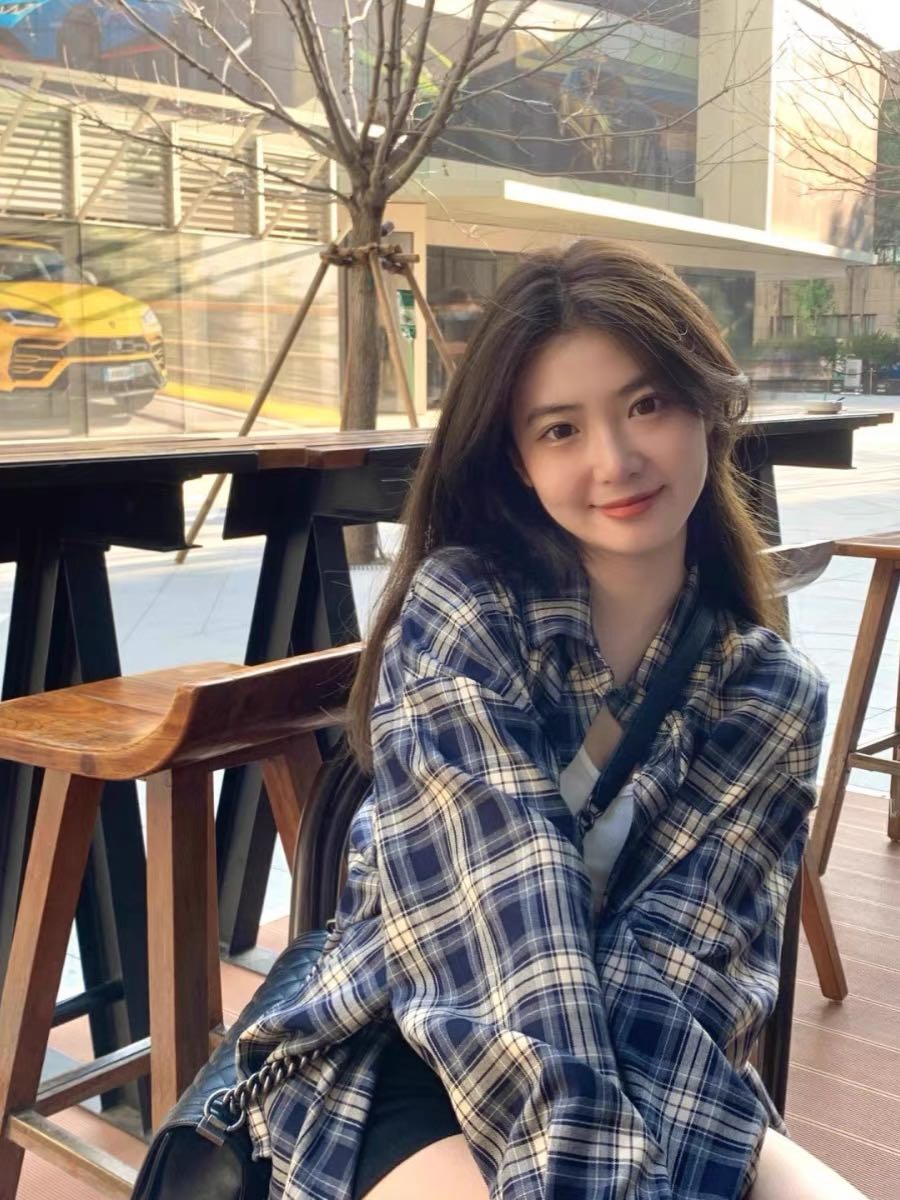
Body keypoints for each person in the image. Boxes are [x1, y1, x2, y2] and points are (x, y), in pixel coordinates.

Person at [237, 241, 869, 1200]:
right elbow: (502, 938)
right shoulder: (468, 614)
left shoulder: (768, 691)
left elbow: (685, 969)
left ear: (707, 405)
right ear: (519, 462)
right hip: (411, 1046)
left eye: (646, 405)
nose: (615, 460)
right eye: (562, 429)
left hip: (653, 1066)